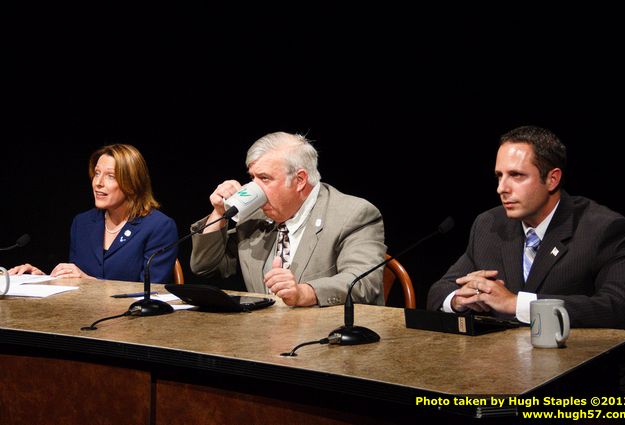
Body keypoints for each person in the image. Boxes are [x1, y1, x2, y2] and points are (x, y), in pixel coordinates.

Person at [427, 125, 625, 329]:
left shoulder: (604, 229)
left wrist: (516, 304)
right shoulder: (489, 224)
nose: (501, 188)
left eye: (516, 175)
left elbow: (621, 306)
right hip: (501, 361)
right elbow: (439, 292)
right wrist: (460, 299)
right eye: (499, 176)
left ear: (552, 179)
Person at [190, 131, 386, 307]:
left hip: (327, 337)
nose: (254, 189)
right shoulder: (254, 215)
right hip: (261, 336)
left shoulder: (353, 214)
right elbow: (205, 267)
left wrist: (304, 293)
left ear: (300, 180)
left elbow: (363, 282)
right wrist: (219, 212)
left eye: (265, 178)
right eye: (252, 178)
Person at [9, 144, 178, 283]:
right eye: (97, 173)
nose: (98, 182)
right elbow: (75, 281)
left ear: (132, 183)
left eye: (110, 176)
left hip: (136, 322)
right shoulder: (82, 223)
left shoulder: (159, 227)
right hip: (84, 319)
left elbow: (150, 294)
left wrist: (90, 282)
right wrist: (41, 279)